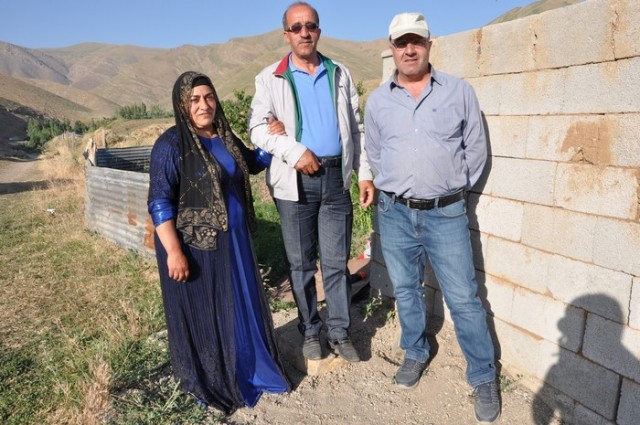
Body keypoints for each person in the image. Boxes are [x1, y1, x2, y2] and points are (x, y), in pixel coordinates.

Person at [364, 13, 500, 424]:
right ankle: (416, 351)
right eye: (401, 42)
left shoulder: (459, 91)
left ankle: (483, 375)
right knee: (406, 289)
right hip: (394, 212)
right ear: (391, 47)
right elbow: (374, 152)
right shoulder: (378, 101)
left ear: (428, 44)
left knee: (463, 297)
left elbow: (476, 150)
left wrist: (449, 190)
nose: (409, 50)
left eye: (416, 41)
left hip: (446, 213)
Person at [147, 71, 289, 415]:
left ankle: (249, 369)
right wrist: (174, 252)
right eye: (194, 99)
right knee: (208, 313)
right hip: (197, 247)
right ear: (182, 104)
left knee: (239, 306)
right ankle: (214, 379)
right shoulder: (171, 145)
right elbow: (159, 202)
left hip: (236, 242)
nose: (204, 105)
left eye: (209, 97)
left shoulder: (224, 136)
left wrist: (273, 140)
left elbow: (251, 163)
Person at [248, 1, 374, 363]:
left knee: (335, 262)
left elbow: (356, 129)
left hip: (335, 179)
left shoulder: (339, 73)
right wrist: (294, 150)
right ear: (286, 35)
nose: (305, 33)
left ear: (319, 30)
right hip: (295, 181)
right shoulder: (270, 77)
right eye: (297, 27)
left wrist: (364, 173)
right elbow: (257, 128)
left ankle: (340, 332)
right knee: (301, 264)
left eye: (311, 26)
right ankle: (309, 330)